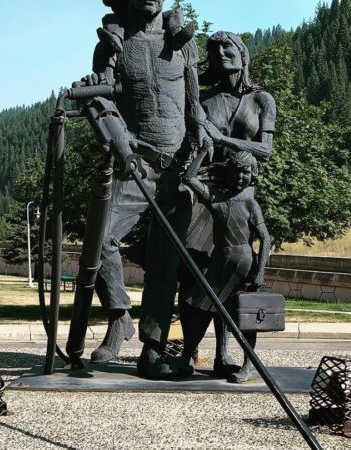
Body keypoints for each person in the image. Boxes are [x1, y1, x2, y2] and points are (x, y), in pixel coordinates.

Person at [83, 0, 211, 378]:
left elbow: (194, 104)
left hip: (177, 167)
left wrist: (202, 134)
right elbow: (102, 103)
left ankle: (152, 350)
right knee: (102, 238)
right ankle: (119, 316)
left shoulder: (183, 43)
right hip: (136, 162)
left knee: (165, 263)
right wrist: (119, 145)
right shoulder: (113, 43)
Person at [182, 30, 277, 379]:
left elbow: (265, 151)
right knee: (195, 278)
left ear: (242, 53)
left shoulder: (262, 99)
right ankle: (190, 354)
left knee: (232, 285)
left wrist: (221, 137)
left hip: (239, 193)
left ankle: (226, 355)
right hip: (203, 193)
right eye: (215, 48)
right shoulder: (203, 101)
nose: (222, 53)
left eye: (229, 47)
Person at [176, 149, 270, 383]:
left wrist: (260, 272)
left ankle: (249, 366)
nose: (240, 177)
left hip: (244, 265)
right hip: (220, 262)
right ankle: (187, 356)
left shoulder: (250, 203)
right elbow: (189, 178)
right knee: (201, 308)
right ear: (227, 173)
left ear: (253, 174)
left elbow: (265, 238)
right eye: (236, 172)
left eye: (245, 172)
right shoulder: (216, 199)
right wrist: (201, 154)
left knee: (245, 315)